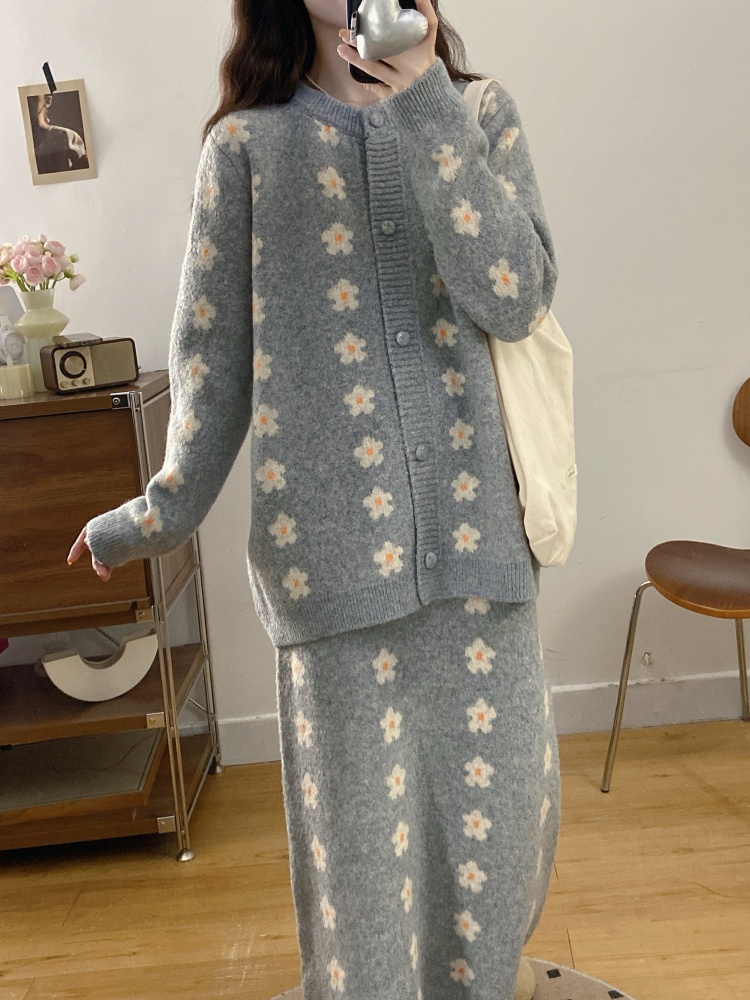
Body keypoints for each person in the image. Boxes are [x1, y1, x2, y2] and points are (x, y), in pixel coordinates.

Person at [68, 1, 561, 998]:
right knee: (364, 913)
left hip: (482, 570)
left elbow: (516, 296)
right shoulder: (247, 150)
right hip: (333, 588)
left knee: (497, 877)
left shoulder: (476, 111)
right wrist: (155, 514)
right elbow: (211, 365)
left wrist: (427, 102)